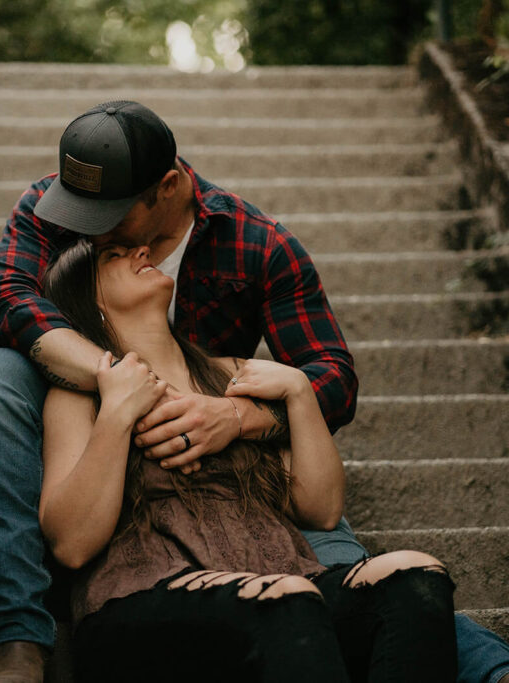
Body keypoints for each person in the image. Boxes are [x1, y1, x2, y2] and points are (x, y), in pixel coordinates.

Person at [0, 100, 509, 683]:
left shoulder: (257, 244)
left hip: (235, 466)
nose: (92, 235)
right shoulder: (64, 210)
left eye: (112, 220)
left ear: (169, 187)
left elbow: (331, 376)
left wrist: (239, 415)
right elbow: (3, 300)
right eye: (83, 223)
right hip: (105, 451)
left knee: (336, 562)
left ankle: (495, 678)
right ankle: (17, 642)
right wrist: (124, 382)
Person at [38, 237, 458, 681]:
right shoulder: (79, 396)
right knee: (286, 599)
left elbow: (321, 507)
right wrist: (119, 411)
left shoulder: (234, 374)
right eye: (114, 256)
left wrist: (299, 392)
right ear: (91, 303)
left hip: (283, 585)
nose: (142, 251)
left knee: (414, 575)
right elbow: (71, 543)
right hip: (140, 598)